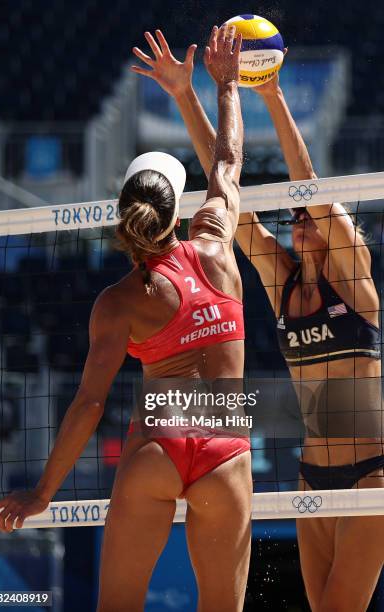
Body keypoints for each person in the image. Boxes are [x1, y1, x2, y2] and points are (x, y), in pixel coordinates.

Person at [0, 26, 253, 612]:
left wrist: (41, 494)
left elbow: (87, 405)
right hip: (226, 444)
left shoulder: (116, 301)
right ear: (176, 209)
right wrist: (222, 87)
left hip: (158, 442)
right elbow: (228, 161)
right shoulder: (214, 245)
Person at [133, 31, 384, 612]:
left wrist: (269, 94)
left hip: (371, 477)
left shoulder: (356, 279)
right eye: (296, 216)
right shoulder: (285, 280)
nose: (301, 221)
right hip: (310, 478)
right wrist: (184, 96)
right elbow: (225, 196)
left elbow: (315, 192)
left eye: (311, 216)